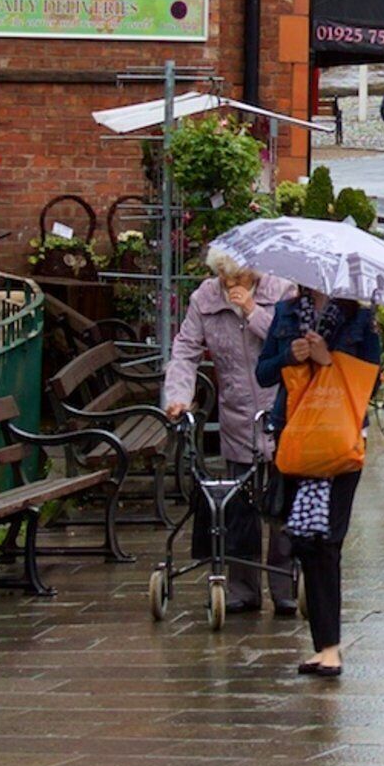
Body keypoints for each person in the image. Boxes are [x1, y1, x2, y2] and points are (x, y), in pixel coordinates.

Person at [258, 288, 384, 678]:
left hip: (340, 438)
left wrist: (329, 362)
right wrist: (288, 356)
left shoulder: (361, 320)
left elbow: (374, 384)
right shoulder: (285, 313)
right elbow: (262, 372)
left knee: (328, 541)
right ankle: (322, 646)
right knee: (307, 542)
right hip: (296, 437)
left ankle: (331, 649)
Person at [160, 255, 294, 615]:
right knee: (240, 504)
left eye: (235, 274)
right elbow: (185, 352)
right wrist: (177, 397)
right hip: (236, 413)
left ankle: (285, 588)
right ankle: (243, 589)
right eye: (221, 274)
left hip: (281, 410)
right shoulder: (205, 299)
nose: (228, 282)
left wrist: (252, 311)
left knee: (281, 502)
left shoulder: (281, 290)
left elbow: (290, 345)